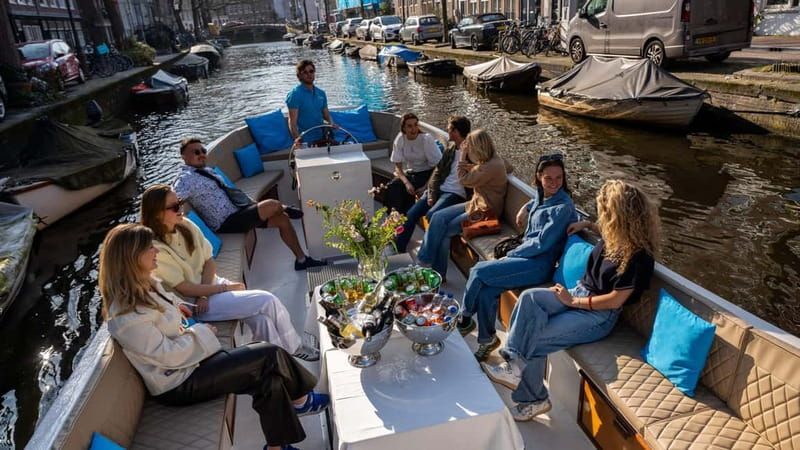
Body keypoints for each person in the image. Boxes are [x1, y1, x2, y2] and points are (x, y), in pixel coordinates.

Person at [100, 223, 329, 450]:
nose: (156, 251)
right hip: (178, 382)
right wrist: (201, 332)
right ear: (132, 257)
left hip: (191, 363)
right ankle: (301, 399)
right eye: (149, 248)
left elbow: (168, 311)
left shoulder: (148, 285)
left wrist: (182, 309)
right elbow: (166, 356)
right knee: (268, 353)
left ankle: (277, 447)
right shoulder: (126, 315)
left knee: (269, 379)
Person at [480, 180, 659, 422]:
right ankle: (514, 362)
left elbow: (615, 301)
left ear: (618, 215)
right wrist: (586, 224)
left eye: (604, 211)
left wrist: (572, 301)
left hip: (597, 314)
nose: (601, 215)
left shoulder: (639, 257)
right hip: (578, 292)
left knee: (536, 338)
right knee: (529, 297)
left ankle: (534, 399)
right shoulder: (614, 235)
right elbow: (599, 229)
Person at [141, 184, 318, 361]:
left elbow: (209, 261)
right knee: (267, 300)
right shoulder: (157, 249)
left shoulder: (185, 225)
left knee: (262, 321)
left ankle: (276, 361)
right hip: (195, 304)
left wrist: (207, 292)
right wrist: (222, 289)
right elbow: (185, 288)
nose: (180, 208)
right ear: (157, 214)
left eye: (179, 202)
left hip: (208, 289)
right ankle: (295, 347)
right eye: (174, 207)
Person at [458, 153, 578, 361]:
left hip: (539, 264)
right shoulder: (543, 195)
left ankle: (464, 318)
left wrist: (510, 255)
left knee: (478, 270)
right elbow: (536, 202)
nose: (554, 183)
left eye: (559, 178)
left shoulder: (563, 208)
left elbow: (541, 244)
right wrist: (525, 208)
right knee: (486, 291)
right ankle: (487, 340)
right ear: (539, 177)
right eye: (548, 178)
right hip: (526, 257)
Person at [173, 137, 325, 271]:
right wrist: (175, 215)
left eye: (203, 151)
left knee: (283, 219)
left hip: (238, 211)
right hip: (226, 222)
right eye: (196, 152)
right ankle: (284, 208)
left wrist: (249, 204)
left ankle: (301, 260)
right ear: (183, 156)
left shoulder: (206, 170)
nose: (201, 154)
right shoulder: (185, 179)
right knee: (272, 205)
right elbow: (173, 198)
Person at [416, 129, 512, 280]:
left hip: (487, 212)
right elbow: (506, 168)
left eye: (470, 147)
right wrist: (474, 168)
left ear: (478, 147)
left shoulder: (491, 165)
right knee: (438, 217)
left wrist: (462, 155)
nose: (469, 151)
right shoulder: (491, 160)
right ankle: (424, 260)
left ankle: (436, 271)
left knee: (446, 231)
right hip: (475, 204)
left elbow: (463, 180)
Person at [394, 115, 471, 253]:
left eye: (449, 128)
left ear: (455, 131)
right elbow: (438, 172)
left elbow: (495, 164)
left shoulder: (473, 150)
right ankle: (398, 250)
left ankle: (427, 254)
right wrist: (430, 191)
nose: (446, 130)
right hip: (440, 188)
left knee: (431, 214)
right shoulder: (451, 149)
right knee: (411, 214)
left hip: (455, 193)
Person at [383, 112, 443, 214]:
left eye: (415, 125)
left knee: (408, 190)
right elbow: (398, 167)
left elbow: (438, 167)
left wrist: (426, 186)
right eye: (409, 126)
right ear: (404, 128)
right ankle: (395, 218)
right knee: (392, 186)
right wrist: (407, 183)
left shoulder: (426, 139)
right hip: (412, 173)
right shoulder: (401, 138)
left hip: (429, 174)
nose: (414, 129)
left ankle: (406, 216)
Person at [286, 60, 335, 145]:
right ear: (299, 75)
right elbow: (292, 123)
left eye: (311, 71)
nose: (309, 74)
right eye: (305, 72)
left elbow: (326, 115)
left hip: (324, 137)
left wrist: (332, 124)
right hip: (306, 141)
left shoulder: (321, 93)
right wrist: (298, 141)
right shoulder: (294, 95)